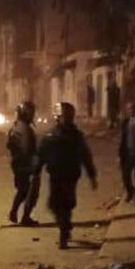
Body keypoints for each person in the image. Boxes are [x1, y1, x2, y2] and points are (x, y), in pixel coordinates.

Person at [38, 102, 97, 249]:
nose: (67, 119)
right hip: (56, 175)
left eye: (69, 116)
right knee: (55, 204)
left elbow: (85, 155)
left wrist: (92, 175)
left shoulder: (76, 136)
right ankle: (65, 226)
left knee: (66, 204)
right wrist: (36, 170)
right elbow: (41, 154)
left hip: (70, 175)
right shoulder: (50, 136)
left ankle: (64, 232)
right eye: (64, 116)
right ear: (58, 117)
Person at [6, 101, 40, 226]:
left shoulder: (15, 126)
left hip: (17, 162)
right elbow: (27, 148)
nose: (32, 115)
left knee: (22, 190)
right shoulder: (25, 128)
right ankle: (25, 217)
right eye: (30, 112)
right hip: (26, 163)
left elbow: (9, 144)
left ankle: (14, 212)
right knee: (32, 191)